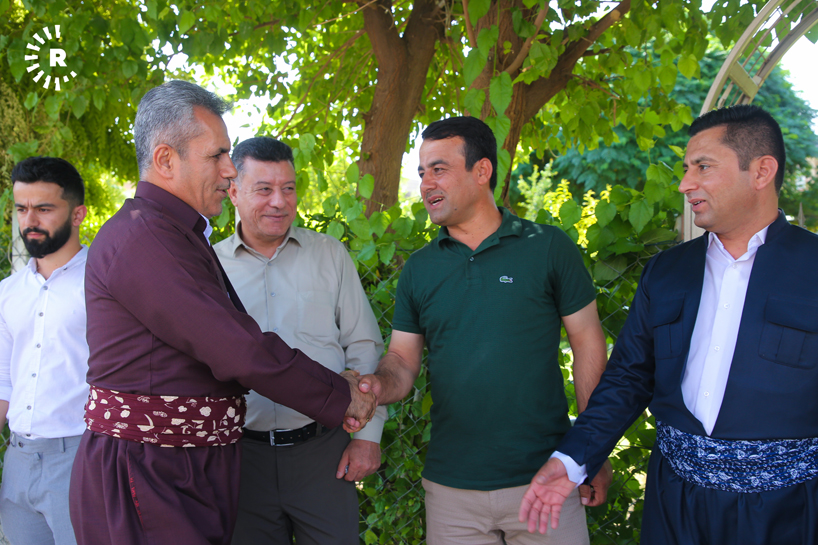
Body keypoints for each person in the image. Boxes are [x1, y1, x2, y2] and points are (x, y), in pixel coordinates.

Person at [68, 80, 376, 545]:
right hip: (148, 474)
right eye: (217, 155)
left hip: (179, 469)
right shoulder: (143, 236)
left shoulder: (173, 234)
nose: (230, 171)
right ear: (166, 159)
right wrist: (339, 395)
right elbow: (238, 349)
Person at [519, 104, 818, 544]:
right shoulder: (666, 272)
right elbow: (628, 377)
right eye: (685, 169)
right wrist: (571, 460)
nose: (685, 184)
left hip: (785, 512)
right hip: (674, 505)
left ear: (761, 171)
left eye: (703, 167)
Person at [351, 116, 611, 545]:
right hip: (452, 490)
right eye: (422, 172)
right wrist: (376, 386)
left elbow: (587, 343)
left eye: (439, 169)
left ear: (482, 170)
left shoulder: (547, 247)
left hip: (547, 477)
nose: (426, 184)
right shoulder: (419, 269)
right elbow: (401, 360)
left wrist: (590, 449)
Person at [213, 136, 386, 544]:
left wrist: (367, 438)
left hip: (323, 454)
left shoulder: (329, 255)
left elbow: (363, 346)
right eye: (264, 189)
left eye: (288, 188)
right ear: (234, 192)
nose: (279, 202)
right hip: (241, 458)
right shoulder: (209, 267)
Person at [0, 156, 89, 545]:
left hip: (80, 456)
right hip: (17, 460)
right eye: (21, 209)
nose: (30, 220)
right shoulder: (8, 292)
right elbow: (4, 380)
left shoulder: (104, 283)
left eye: (44, 208)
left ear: (77, 214)